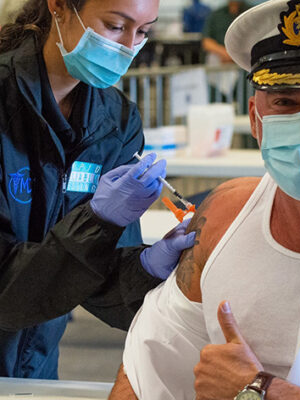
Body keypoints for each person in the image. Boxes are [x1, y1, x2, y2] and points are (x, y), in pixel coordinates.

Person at [110, 0, 300, 399]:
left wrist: (259, 390)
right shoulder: (226, 215)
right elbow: (148, 367)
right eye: (284, 102)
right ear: (254, 117)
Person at [0, 0, 195, 380]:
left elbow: (91, 279)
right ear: (59, 7)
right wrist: (97, 220)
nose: (127, 46)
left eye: (142, 32)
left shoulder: (116, 122)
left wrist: (144, 268)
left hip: (32, 367)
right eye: (114, 26)